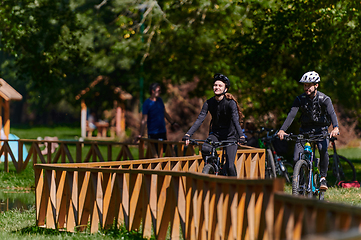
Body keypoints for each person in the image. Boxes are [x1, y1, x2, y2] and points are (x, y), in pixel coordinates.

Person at [277, 71, 339, 190]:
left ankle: (323, 178)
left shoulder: (325, 99)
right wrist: (282, 130)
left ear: (316, 85)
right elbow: (291, 115)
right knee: (296, 158)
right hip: (304, 131)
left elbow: (332, 113)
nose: (306, 88)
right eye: (305, 85)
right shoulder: (300, 99)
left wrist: (335, 127)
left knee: (323, 150)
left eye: (309, 85)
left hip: (321, 131)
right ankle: (300, 184)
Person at [182, 73, 246, 177]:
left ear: (225, 89)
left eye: (220, 86)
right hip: (216, 134)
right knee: (205, 149)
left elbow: (235, 120)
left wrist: (241, 136)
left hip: (230, 136)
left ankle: (235, 188)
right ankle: (213, 166)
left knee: (230, 166)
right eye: (215, 85)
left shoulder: (230, 103)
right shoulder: (208, 103)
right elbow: (199, 119)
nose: (217, 87)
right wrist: (188, 135)